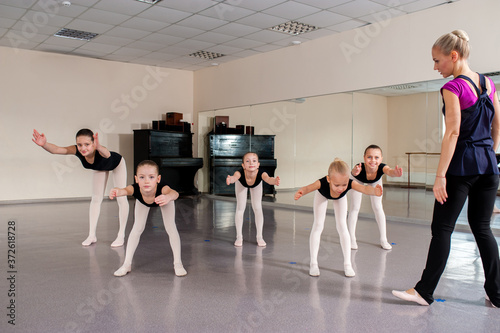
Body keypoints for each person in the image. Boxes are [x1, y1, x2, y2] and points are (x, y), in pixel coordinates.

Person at [392, 30, 500, 308]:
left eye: (437, 60)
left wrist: (439, 176)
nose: (435, 67)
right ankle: (496, 293)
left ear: (454, 56)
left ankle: (423, 292)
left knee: (442, 228)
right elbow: (497, 126)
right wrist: (489, 152)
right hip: (489, 167)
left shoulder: (453, 87)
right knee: (483, 229)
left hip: (462, 167)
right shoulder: (489, 84)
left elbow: (452, 133)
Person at [32, 128, 128, 247]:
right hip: (100, 167)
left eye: (87, 144)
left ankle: (121, 235)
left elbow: (107, 154)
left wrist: (99, 147)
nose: (83, 148)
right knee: (96, 199)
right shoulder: (77, 150)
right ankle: (92, 235)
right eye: (79, 144)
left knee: (121, 199)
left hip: (117, 164)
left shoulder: (100, 150)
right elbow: (56, 149)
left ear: (94, 143)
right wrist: (44, 144)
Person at [294, 158, 383, 277]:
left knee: (342, 226)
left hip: (340, 198)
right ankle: (313, 263)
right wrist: (301, 191)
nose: (341, 188)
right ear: (329, 179)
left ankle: (347, 264)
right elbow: (308, 188)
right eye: (337, 185)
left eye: (344, 185)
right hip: (322, 194)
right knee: (318, 225)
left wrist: (374, 191)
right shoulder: (322, 183)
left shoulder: (349, 184)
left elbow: (364, 188)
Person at [110, 160, 187, 277]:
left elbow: (174, 193)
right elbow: (124, 190)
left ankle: (178, 263)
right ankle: (126, 264)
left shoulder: (162, 188)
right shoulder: (135, 188)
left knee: (171, 228)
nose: (146, 181)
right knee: (137, 229)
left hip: (164, 199)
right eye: (142, 177)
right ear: (136, 179)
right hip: (143, 201)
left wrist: (168, 198)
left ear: (158, 179)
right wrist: (117, 191)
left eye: (151, 177)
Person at [348, 145, 403, 250]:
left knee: (378, 207)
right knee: (355, 207)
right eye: (369, 157)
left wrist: (394, 173)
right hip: (357, 180)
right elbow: (353, 172)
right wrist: (355, 172)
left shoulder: (382, 167)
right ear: (364, 158)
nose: (373, 160)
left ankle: (383, 239)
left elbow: (389, 171)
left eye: (376, 157)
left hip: (375, 182)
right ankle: (352, 239)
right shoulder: (359, 167)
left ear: (381, 159)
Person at [226, 152, 280, 247]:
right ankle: (239, 236)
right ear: (243, 165)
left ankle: (259, 237)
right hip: (241, 183)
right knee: (240, 208)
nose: (251, 163)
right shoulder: (239, 172)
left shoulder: (261, 173)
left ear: (258, 164)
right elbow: (235, 178)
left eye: (254, 161)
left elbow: (268, 179)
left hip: (256, 184)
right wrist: (230, 179)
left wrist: (274, 181)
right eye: (248, 161)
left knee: (257, 208)